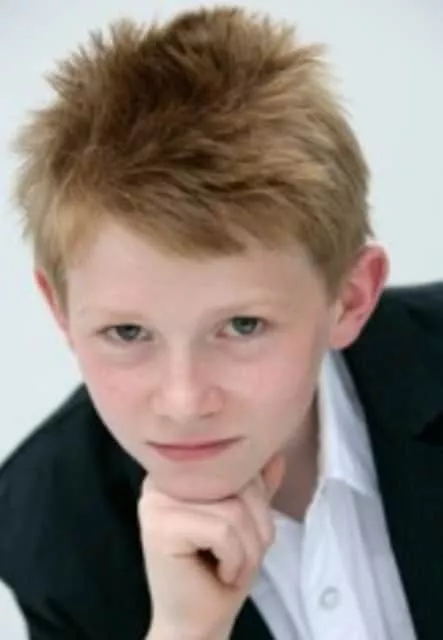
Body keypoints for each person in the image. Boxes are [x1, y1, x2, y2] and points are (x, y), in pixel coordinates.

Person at [0, 5, 441, 639]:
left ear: (348, 299)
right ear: (61, 312)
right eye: (128, 333)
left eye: (242, 326)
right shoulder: (50, 529)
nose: (184, 402)